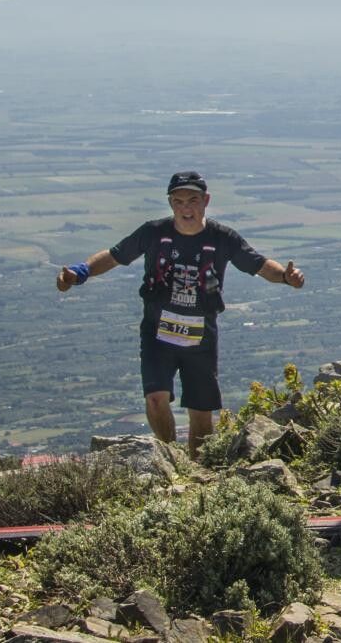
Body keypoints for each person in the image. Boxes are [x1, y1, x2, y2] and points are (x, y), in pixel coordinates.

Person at [57, 171, 304, 455]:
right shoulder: (153, 233)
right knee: (155, 397)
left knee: (200, 411)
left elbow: (259, 265)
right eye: (178, 201)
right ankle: (169, 457)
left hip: (201, 336)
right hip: (157, 332)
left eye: (193, 200)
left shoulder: (223, 238)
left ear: (206, 201)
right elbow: (114, 256)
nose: (186, 208)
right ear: (171, 203)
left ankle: (196, 469)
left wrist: (286, 277)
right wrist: (80, 273)